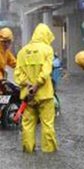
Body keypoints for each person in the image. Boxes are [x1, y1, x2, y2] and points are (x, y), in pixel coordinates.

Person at [15, 23, 57, 153]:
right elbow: (46, 71)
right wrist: (37, 84)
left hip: (27, 96)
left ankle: (28, 150)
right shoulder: (47, 49)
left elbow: (17, 73)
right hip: (44, 94)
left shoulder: (22, 51)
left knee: (27, 125)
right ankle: (49, 152)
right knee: (47, 124)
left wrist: (28, 84)